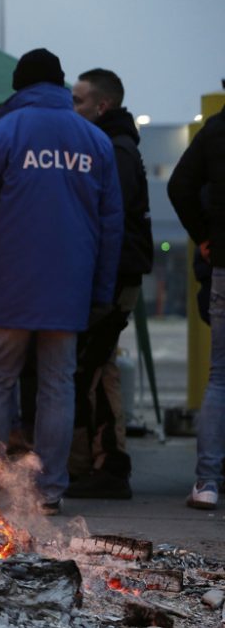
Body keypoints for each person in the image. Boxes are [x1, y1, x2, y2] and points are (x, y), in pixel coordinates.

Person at [0, 48, 123, 515]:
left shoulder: (0, 136)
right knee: (57, 384)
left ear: (19, 86)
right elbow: (111, 225)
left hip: (8, 282)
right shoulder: (95, 141)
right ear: (60, 85)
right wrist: (101, 292)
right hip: (68, 284)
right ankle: (49, 490)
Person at [65, 68, 154, 499]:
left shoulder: (114, 151)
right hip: (118, 274)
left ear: (103, 106)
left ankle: (110, 467)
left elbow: (108, 223)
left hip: (116, 276)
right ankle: (99, 464)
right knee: (101, 367)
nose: (72, 108)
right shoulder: (115, 145)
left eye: (79, 101)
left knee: (96, 370)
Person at [167, 99, 225, 510]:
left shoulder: (217, 129)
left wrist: (204, 235)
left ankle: (207, 482)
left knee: (220, 377)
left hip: (224, 262)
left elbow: (178, 185)